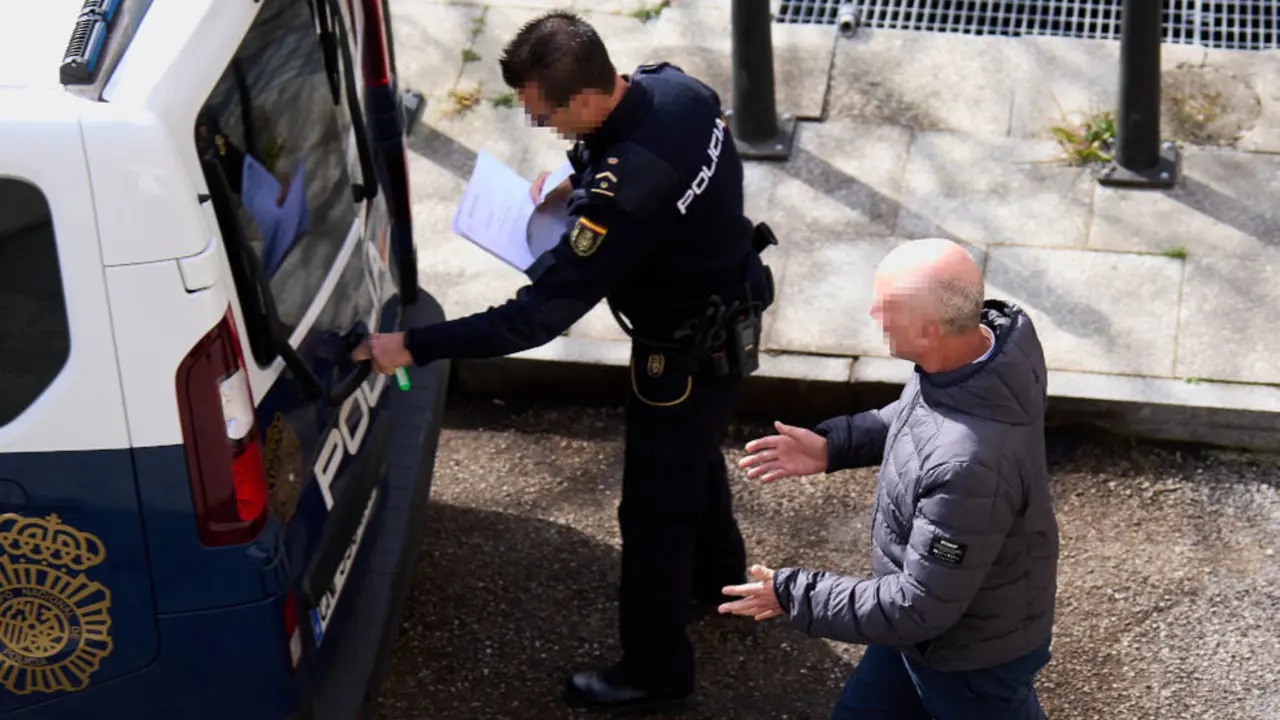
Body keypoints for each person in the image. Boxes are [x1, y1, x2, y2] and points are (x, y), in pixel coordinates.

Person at [352, 11, 777, 711]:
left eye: (547, 116)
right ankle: (718, 574)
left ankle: (655, 668)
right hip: (734, 309)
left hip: (685, 351)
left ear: (583, 98)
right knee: (695, 455)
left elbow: (534, 317)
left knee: (652, 512)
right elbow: (638, 152)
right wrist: (577, 174)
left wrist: (414, 345)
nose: (545, 127)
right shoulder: (678, 91)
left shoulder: (623, 199)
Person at [724, 238, 1059, 720]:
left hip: (968, 661)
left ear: (926, 332)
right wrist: (834, 445)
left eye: (885, 308)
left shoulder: (969, 469)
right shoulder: (981, 356)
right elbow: (919, 417)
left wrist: (792, 592)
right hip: (918, 635)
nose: (873, 313)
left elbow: (917, 607)